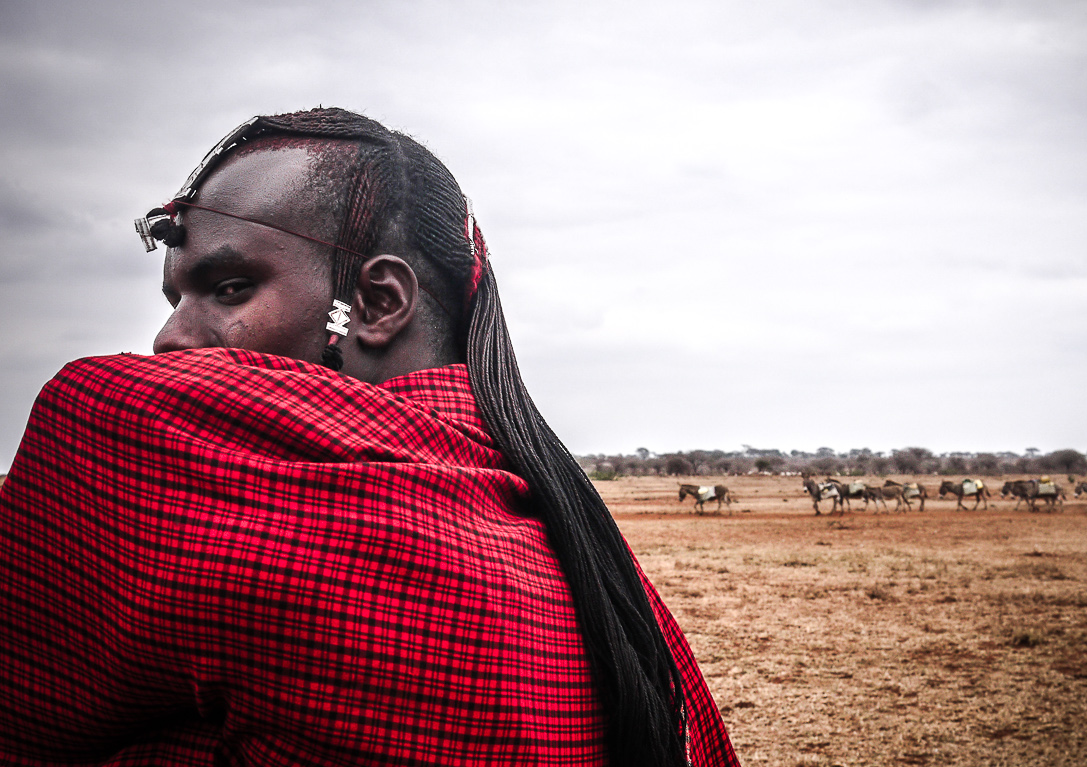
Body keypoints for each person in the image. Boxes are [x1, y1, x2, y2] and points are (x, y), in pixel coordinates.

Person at [0, 109, 738, 766]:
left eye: (228, 289)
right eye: (175, 297)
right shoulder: (600, 565)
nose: (167, 341)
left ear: (376, 304)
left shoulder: (152, 451)